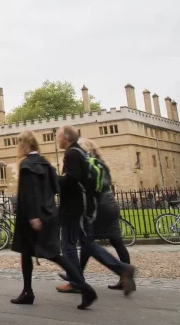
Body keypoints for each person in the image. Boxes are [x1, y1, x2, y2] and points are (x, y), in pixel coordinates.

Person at [10, 131, 98, 309]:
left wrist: (34, 215)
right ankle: (27, 292)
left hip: (32, 217)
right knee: (27, 253)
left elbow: (30, 193)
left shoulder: (27, 164)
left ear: (23, 144)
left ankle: (85, 288)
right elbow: (56, 188)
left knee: (52, 255)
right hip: (49, 213)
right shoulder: (46, 164)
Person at [55, 126, 135, 296]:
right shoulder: (83, 155)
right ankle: (122, 269)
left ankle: (76, 281)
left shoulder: (72, 154)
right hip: (87, 207)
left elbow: (73, 180)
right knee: (88, 244)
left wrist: (54, 180)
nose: (56, 139)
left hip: (74, 208)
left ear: (66, 138)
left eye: (58, 136)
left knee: (68, 245)